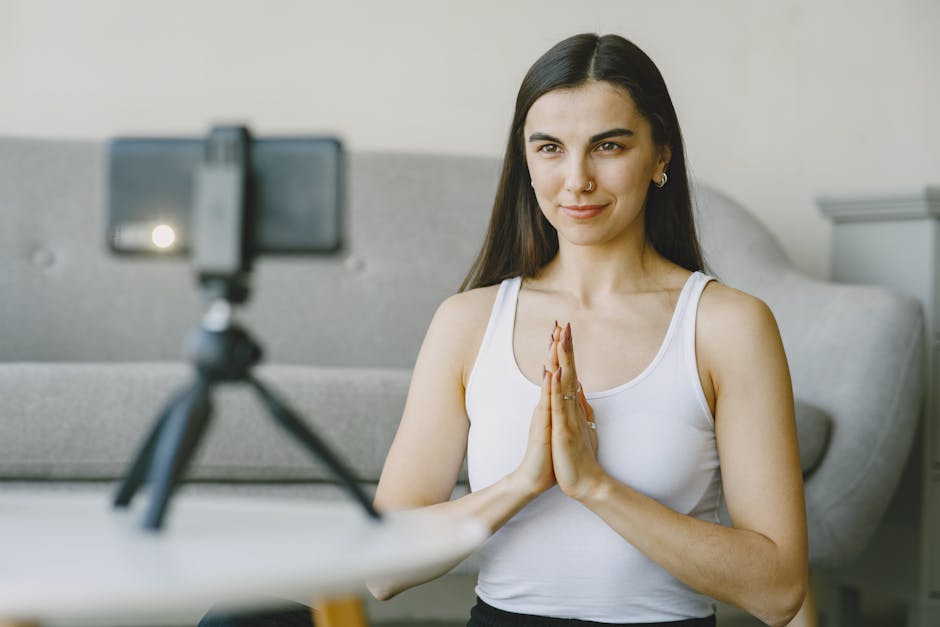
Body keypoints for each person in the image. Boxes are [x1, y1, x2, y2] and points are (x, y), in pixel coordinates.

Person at [369, 33, 809, 627]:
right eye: (550, 147)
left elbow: (779, 591)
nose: (576, 179)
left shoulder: (726, 325)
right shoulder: (467, 323)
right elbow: (379, 568)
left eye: (607, 146)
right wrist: (523, 483)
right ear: (525, 162)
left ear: (661, 157)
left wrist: (596, 487)